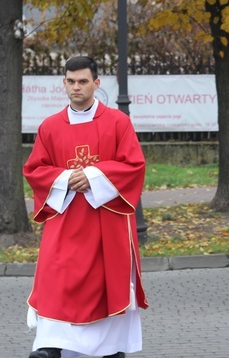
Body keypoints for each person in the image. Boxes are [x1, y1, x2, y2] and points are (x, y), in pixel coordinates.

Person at [23, 56, 148, 358]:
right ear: (63, 83)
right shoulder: (50, 127)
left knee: (106, 283)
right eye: (70, 81)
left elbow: (134, 166)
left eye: (82, 81)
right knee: (56, 279)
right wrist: (66, 178)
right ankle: (50, 346)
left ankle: (111, 348)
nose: (76, 87)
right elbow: (35, 170)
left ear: (96, 83)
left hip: (107, 219)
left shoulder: (118, 122)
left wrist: (93, 176)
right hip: (65, 219)